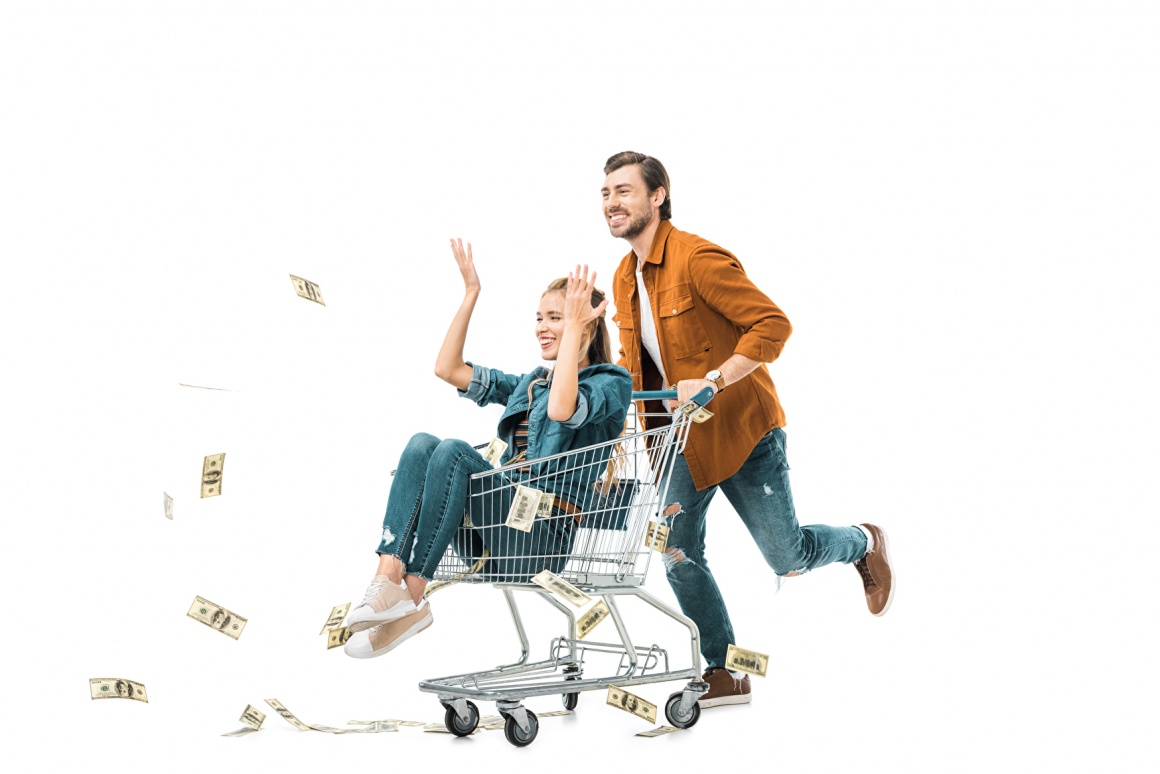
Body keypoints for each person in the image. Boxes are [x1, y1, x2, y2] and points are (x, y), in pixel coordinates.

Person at [599, 151, 895, 708]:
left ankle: (863, 541)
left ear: (657, 195)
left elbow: (773, 325)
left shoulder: (696, 258)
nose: (612, 203)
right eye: (606, 194)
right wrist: (619, 441)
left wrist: (713, 378)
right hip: (677, 444)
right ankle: (725, 670)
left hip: (742, 433)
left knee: (786, 556)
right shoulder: (623, 276)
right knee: (677, 553)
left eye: (624, 191)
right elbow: (633, 363)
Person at [343, 239, 633, 659]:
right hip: (492, 536)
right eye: (540, 318)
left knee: (455, 452)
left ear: (587, 325)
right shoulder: (530, 383)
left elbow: (562, 406)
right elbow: (448, 369)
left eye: (557, 317)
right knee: (423, 444)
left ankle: (412, 595)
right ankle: (391, 579)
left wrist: (574, 326)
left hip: (541, 539)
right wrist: (470, 294)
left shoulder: (611, 382)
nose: (543, 327)